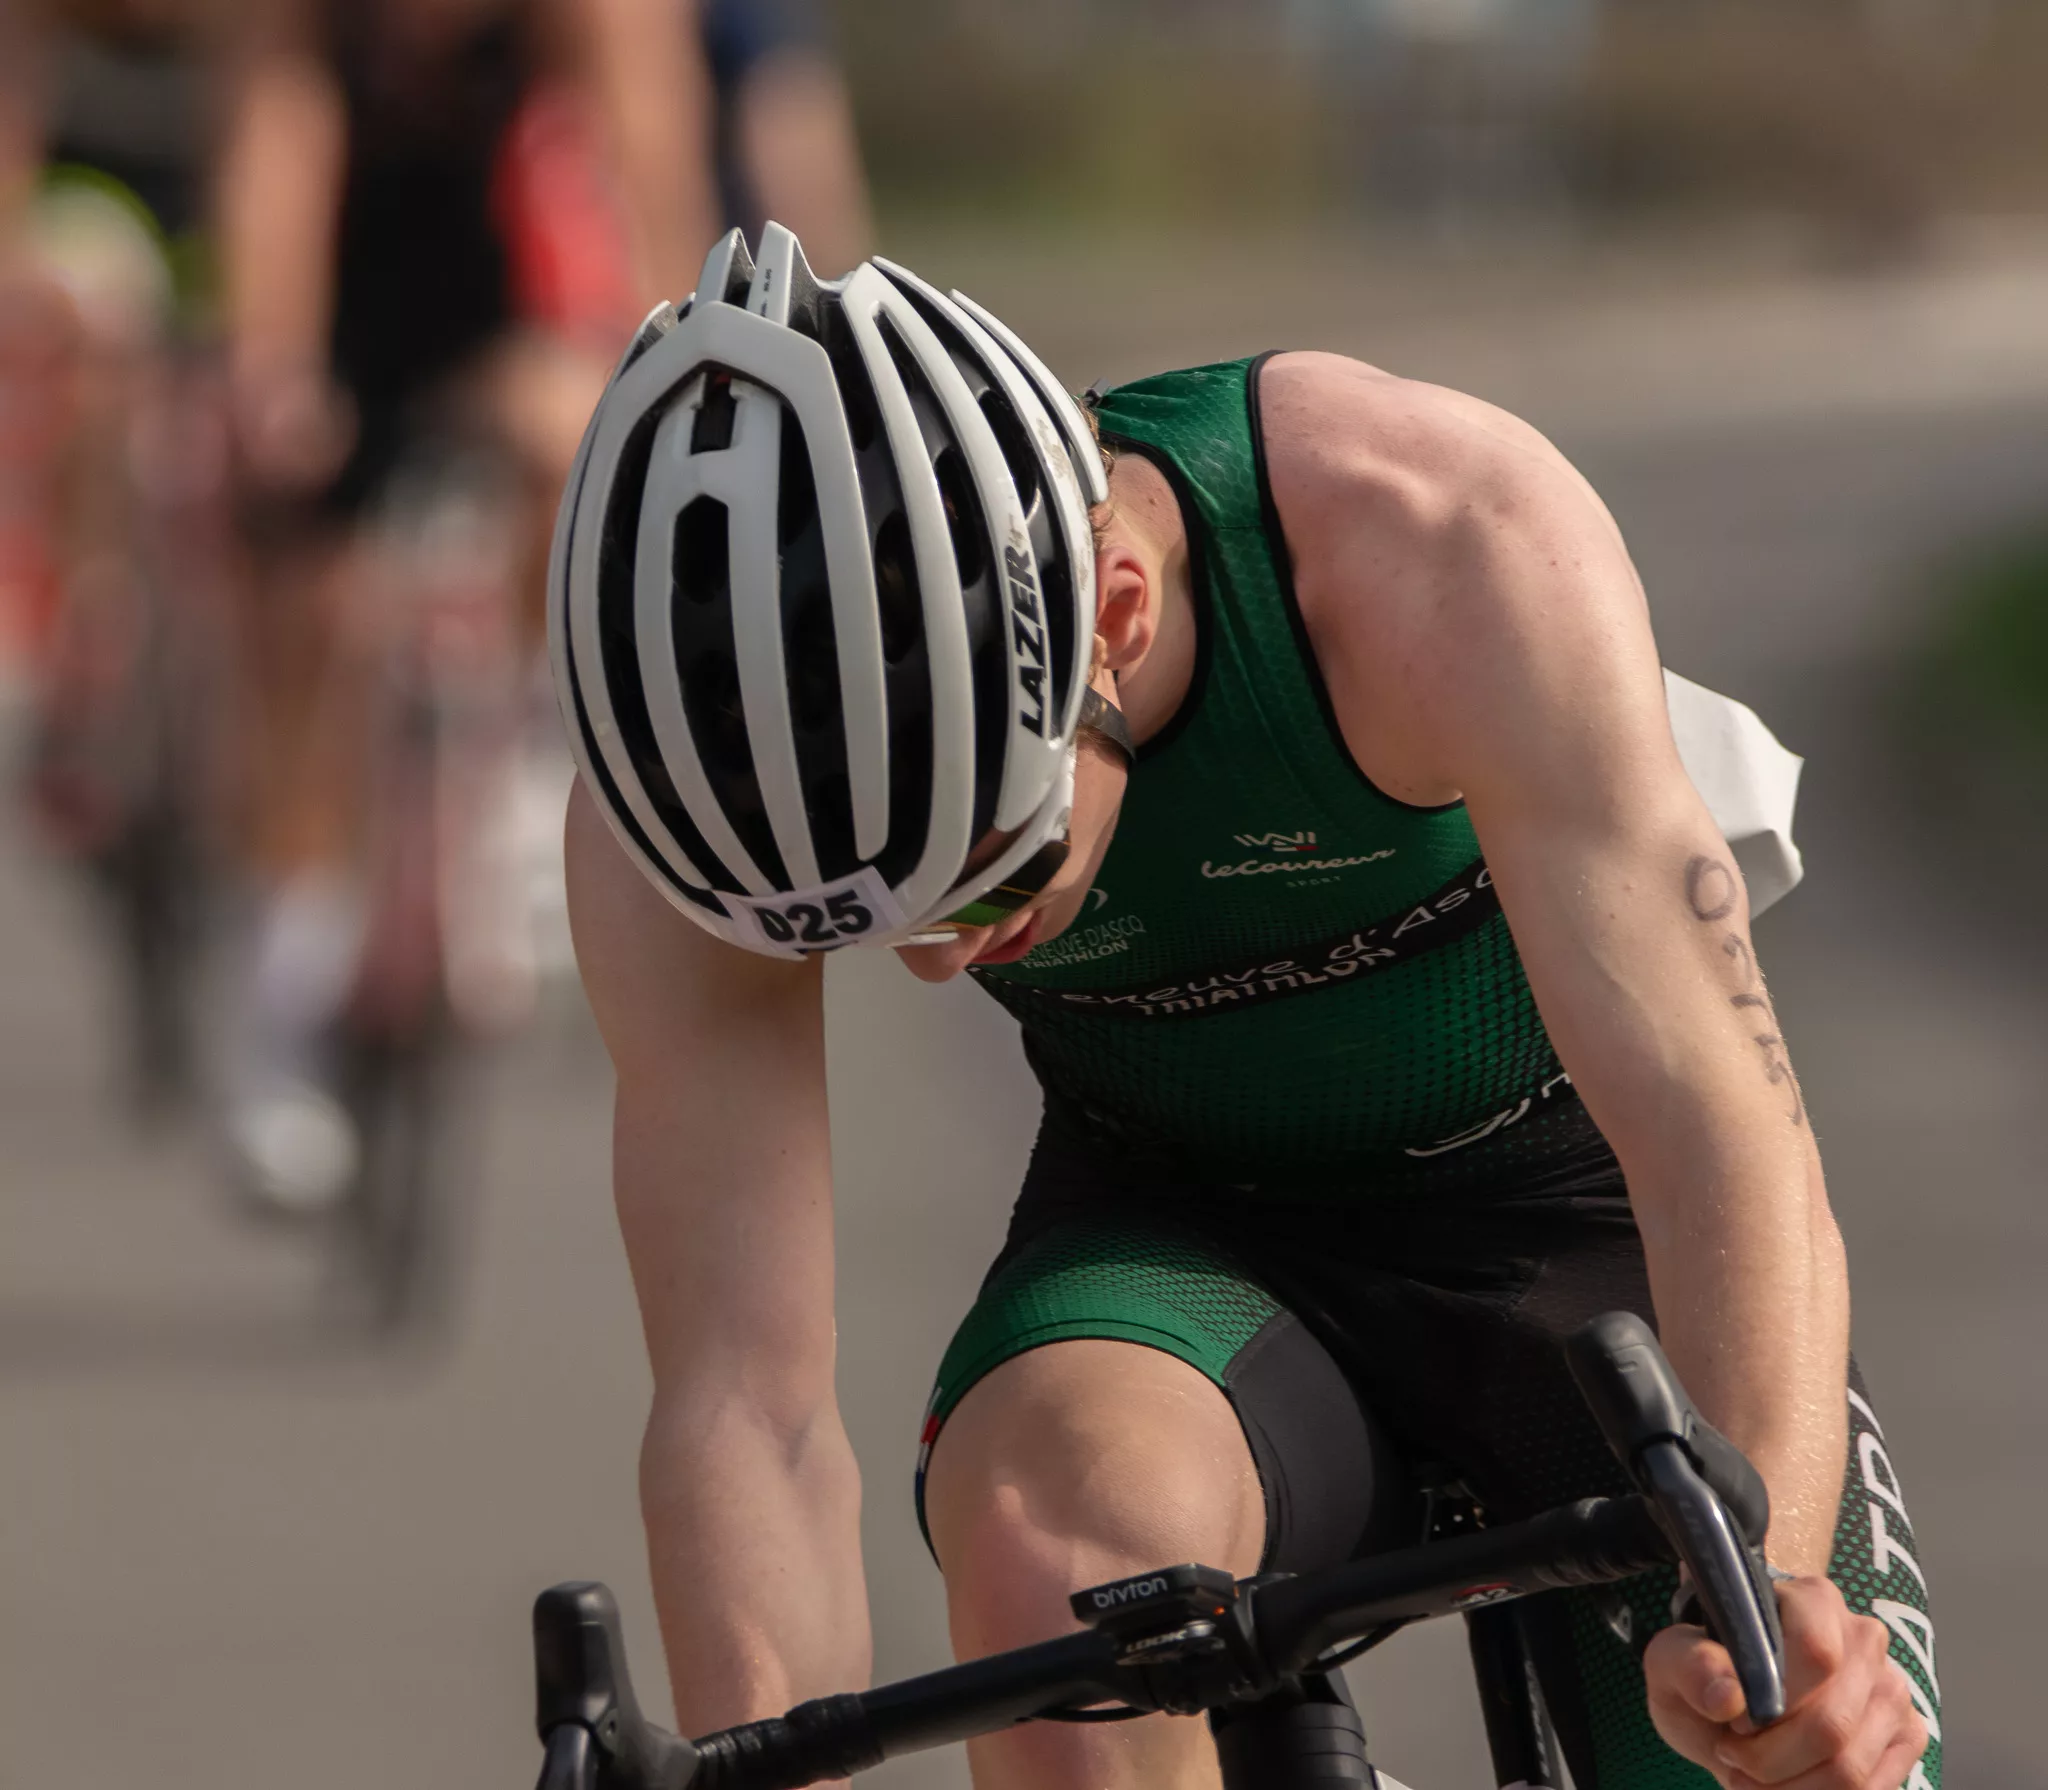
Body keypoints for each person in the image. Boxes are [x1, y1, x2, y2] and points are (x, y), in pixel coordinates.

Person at [553, 226, 1941, 1790]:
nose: (939, 962)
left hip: (1593, 1221)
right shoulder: (686, 799)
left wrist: (1771, 1604)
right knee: (1051, 1562)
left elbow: (1718, 1135)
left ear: (1116, 615)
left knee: (1785, 1742)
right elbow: (749, 1398)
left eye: (990, 874)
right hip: (1196, 1248)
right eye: (880, 928)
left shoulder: (1431, 536)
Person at [211, 0, 865, 1208]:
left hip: (498, 279)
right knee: (317, 612)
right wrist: (270, 362)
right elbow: (277, 160)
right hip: (350, 269)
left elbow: (645, 159)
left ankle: (521, 752)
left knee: (567, 438)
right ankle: (284, 990)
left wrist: (679, 369)